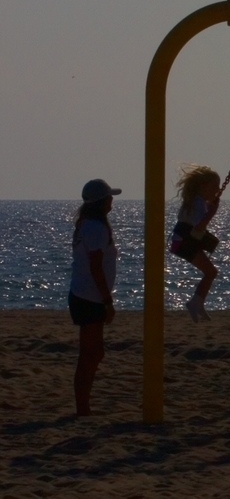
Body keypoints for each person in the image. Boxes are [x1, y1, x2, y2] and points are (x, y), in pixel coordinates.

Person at [69, 178, 121, 416]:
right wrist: (107, 301)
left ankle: (84, 406)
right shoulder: (95, 228)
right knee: (89, 354)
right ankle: (83, 408)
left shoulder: (89, 225)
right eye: (109, 197)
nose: (111, 201)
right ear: (101, 201)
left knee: (94, 353)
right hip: (89, 297)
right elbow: (96, 266)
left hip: (86, 295)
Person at [169, 164, 221, 323]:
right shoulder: (197, 203)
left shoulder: (196, 201)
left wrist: (209, 208)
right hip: (184, 243)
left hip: (182, 242)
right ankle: (195, 303)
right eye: (214, 186)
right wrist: (212, 212)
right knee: (211, 272)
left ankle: (198, 303)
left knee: (210, 272)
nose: (217, 190)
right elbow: (199, 226)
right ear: (203, 187)